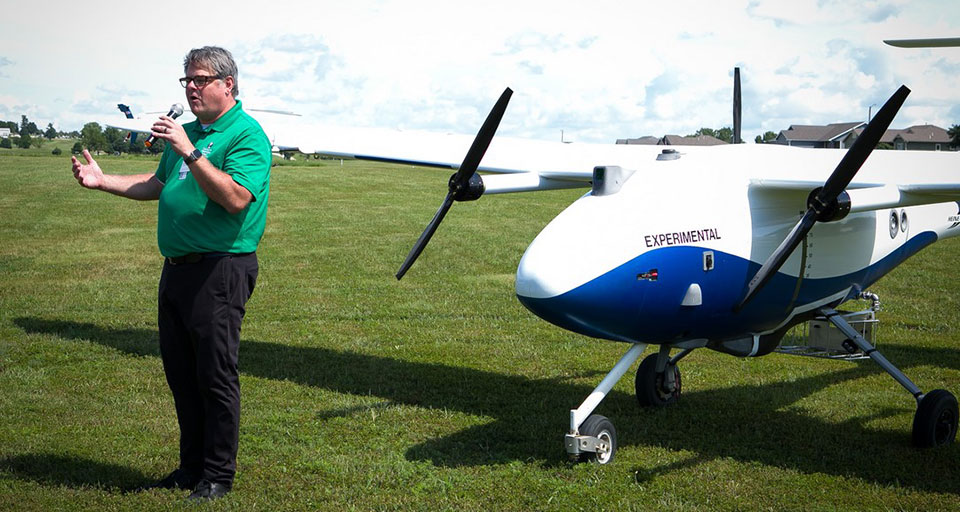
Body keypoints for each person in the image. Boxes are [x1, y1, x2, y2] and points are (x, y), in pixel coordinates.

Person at [71, 46, 271, 501]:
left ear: (228, 85)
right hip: (178, 270)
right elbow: (161, 184)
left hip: (221, 268)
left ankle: (218, 476)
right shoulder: (193, 133)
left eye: (200, 79)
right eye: (187, 81)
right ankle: (191, 467)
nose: (192, 89)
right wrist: (105, 182)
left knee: (215, 375)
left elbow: (237, 198)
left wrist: (191, 150)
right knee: (181, 373)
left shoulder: (245, 135)